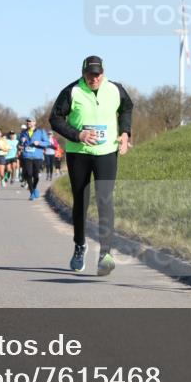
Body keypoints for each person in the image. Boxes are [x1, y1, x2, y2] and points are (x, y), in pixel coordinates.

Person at [49, 55, 133, 276]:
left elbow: (126, 108)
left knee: (105, 200)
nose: (94, 78)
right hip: (79, 154)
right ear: (83, 73)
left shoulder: (116, 89)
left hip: (106, 153)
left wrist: (125, 133)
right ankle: (79, 246)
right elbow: (55, 119)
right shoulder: (71, 91)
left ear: (103, 73)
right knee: (81, 202)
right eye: (90, 74)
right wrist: (78, 134)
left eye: (97, 74)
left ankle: (106, 253)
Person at [17, 118, 50, 200]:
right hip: (26, 155)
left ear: (35, 123)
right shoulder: (23, 133)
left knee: (36, 175)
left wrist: (39, 143)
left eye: (30, 121)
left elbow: (47, 143)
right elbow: (18, 145)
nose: (28, 123)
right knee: (28, 174)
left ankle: (34, 188)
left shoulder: (41, 132)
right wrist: (21, 142)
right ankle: (32, 192)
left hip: (37, 156)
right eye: (27, 121)